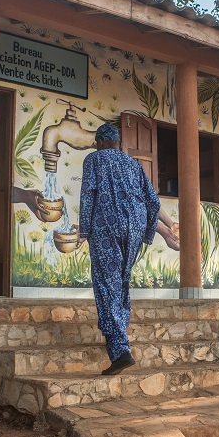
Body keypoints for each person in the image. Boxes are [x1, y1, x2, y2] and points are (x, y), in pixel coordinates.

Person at [78, 123, 160, 375]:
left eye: (97, 143)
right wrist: (147, 233)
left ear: (101, 142)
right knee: (121, 281)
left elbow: (88, 195)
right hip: (135, 226)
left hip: (106, 225)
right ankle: (120, 334)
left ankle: (120, 350)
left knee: (106, 284)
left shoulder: (94, 160)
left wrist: (83, 231)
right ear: (118, 143)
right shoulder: (134, 164)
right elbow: (154, 201)